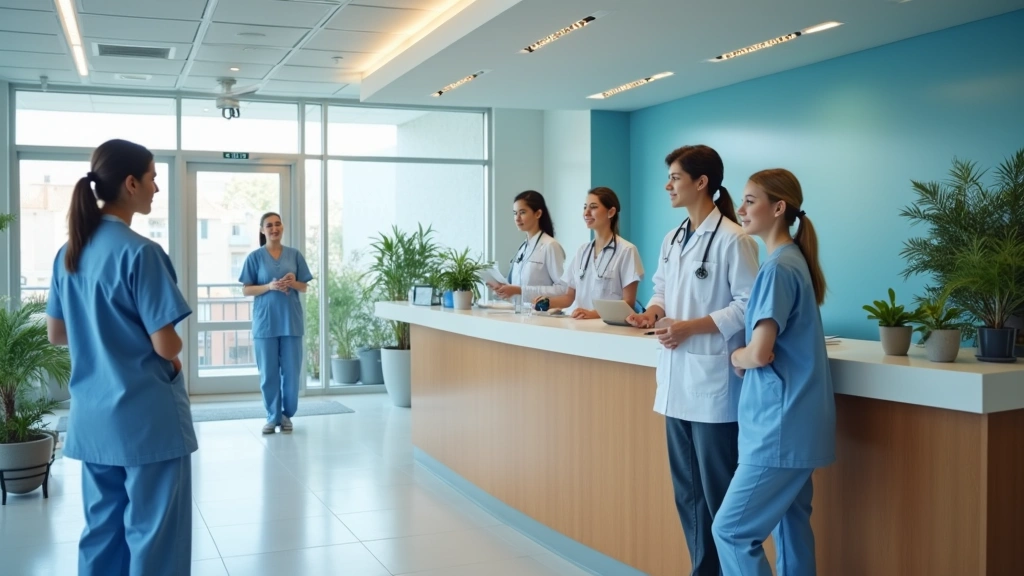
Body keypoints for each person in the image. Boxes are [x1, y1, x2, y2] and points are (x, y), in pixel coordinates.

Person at [45, 139, 195, 576]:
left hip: (94, 418)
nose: (156, 189)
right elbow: (166, 345)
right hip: (146, 420)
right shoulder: (141, 252)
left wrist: (101, 339)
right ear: (131, 184)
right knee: (154, 535)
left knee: (102, 531)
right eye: (152, 178)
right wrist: (174, 358)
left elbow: (57, 334)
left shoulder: (67, 253)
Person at [627, 145, 759, 576]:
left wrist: (690, 327)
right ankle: (702, 570)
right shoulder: (673, 238)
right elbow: (662, 290)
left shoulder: (734, 240)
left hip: (714, 387)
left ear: (702, 183)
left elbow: (747, 306)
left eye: (676, 177)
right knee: (687, 493)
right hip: (676, 381)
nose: (668, 185)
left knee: (718, 493)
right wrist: (653, 313)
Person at [713, 168, 835, 576]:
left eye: (751, 201)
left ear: (778, 208)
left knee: (731, 532)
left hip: (778, 429)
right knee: (791, 525)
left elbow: (760, 353)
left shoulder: (778, 268)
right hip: (798, 426)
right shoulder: (793, 260)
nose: (742, 209)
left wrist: (736, 357)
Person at [239, 212, 313, 434]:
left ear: (282, 227)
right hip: (265, 323)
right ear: (262, 230)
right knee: (269, 374)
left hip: (291, 322)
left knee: (291, 373)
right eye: (269, 225)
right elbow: (246, 289)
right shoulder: (254, 257)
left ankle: (286, 414)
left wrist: (294, 282)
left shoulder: (295, 255)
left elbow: (305, 286)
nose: (274, 228)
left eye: (277, 224)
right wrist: (269, 287)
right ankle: (272, 416)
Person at [540, 187, 643, 318]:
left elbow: (628, 303)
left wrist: (592, 314)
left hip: (609, 329)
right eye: (585, 207)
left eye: (593, 207)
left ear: (611, 212)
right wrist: (547, 302)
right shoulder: (582, 251)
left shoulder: (627, 250)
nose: (586, 213)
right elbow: (569, 297)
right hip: (581, 326)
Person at [487, 190, 567, 304]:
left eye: (522, 212)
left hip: (541, 315)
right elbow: (516, 286)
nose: (517, 218)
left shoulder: (550, 246)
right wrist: (501, 288)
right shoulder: (523, 247)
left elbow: (562, 289)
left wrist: (520, 290)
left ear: (538, 214)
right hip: (519, 314)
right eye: (515, 213)